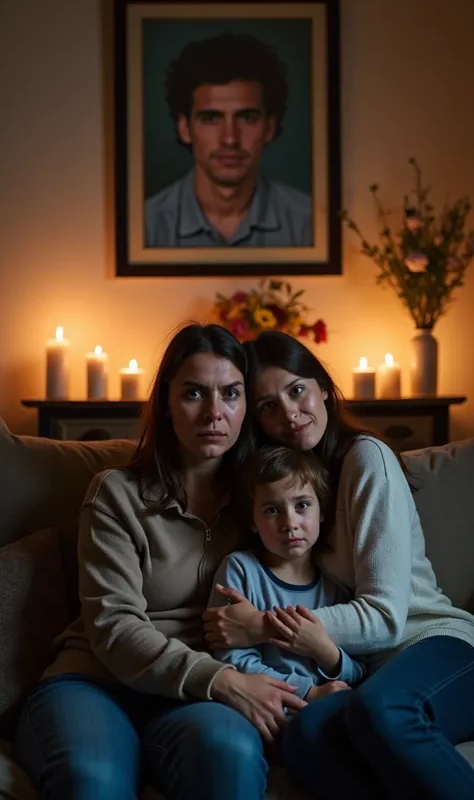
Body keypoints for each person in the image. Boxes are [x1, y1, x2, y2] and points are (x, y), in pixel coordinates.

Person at [14, 323, 307, 800]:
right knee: (93, 779)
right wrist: (224, 680)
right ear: (167, 404)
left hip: (194, 701)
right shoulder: (116, 494)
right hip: (96, 681)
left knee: (228, 755)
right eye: (194, 393)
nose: (214, 412)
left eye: (231, 394)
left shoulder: (268, 503)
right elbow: (114, 627)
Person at [203, 329, 474, 800]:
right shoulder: (296, 489)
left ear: (324, 386)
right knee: (307, 739)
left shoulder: (366, 459)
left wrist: (263, 626)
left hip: (437, 645)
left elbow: (388, 619)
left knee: (382, 711)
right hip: (367, 670)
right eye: (268, 405)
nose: (289, 413)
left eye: (297, 390)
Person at [209, 444, 366, 703]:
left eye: (302, 505)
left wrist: (327, 653)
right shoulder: (240, 570)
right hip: (261, 705)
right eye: (272, 511)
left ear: (323, 511)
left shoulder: (336, 586)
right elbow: (231, 659)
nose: (289, 523)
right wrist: (308, 692)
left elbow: (359, 667)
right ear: (252, 521)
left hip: (328, 705)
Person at [145, 32, 312, 249]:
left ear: (270, 127)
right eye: (211, 119)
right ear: (184, 128)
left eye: (247, 118)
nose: (230, 139)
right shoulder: (146, 227)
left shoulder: (310, 225)